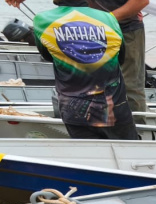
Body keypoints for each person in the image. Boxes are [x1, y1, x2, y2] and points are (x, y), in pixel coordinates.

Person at [5, 0, 148, 121]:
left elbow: (141, 1)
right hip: (84, 30)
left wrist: (106, 20)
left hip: (125, 29)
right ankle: (92, 131)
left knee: (129, 86)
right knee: (84, 85)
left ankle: (138, 131)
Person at [30, 0, 138, 139]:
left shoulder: (42, 20)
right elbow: (121, 58)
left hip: (73, 110)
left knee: (88, 157)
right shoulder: (108, 18)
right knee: (127, 155)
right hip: (113, 108)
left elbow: (48, 55)